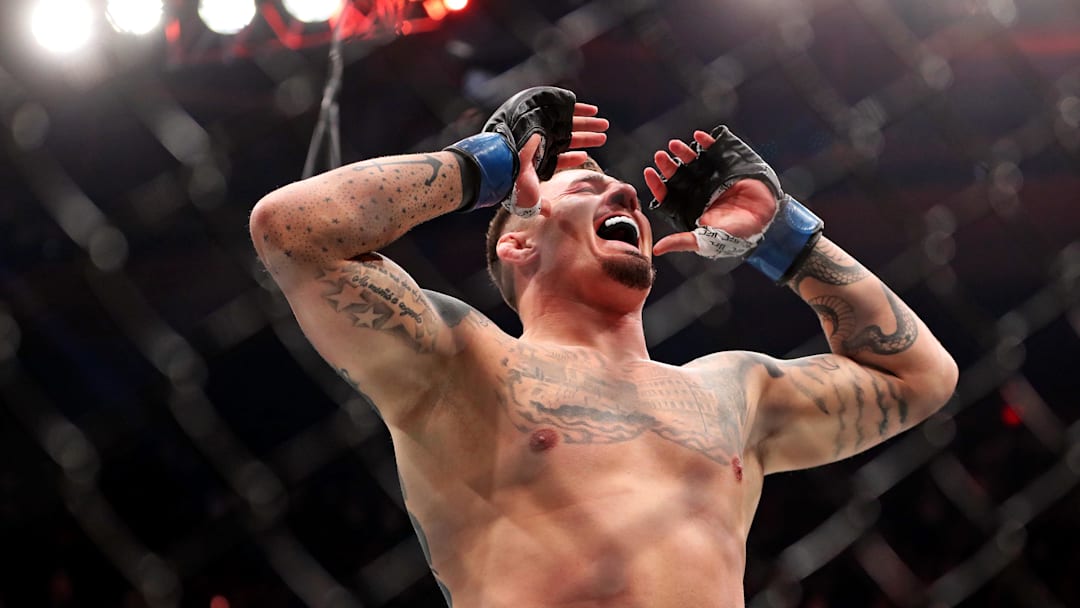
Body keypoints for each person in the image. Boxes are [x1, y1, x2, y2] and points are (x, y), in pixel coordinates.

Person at [249, 87, 957, 608]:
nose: (624, 190)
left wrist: (785, 239)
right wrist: (486, 165)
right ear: (517, 239)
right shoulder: (466, 362)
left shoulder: (731, 390)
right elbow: (293, 229)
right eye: (588, 185)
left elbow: (920, 375)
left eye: (624, 193)